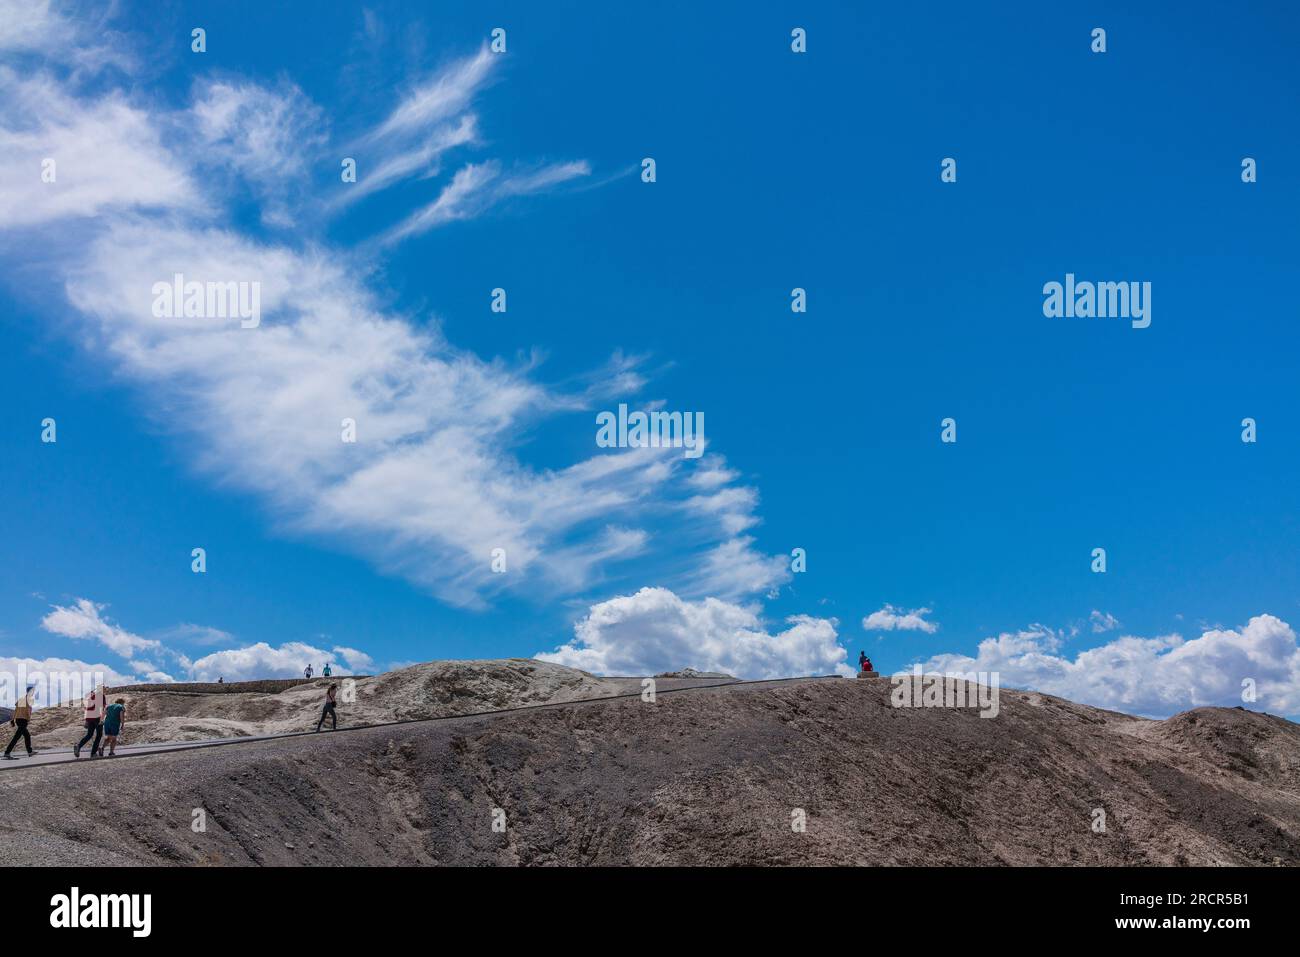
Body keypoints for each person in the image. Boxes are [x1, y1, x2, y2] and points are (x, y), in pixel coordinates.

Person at [3, 685, 39, 760]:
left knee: (27, 736)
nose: (33, 693)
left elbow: (16, 710)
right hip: (23, 720)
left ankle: (29, 752)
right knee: (16, 737)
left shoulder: (21, 699)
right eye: (32, 691)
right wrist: (28, 720)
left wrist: (12, 720)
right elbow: (28, 711)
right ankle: (7, 753)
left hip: (19, 720)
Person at [74, 684, 107, 758]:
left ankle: (78, 746)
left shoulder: (91, 697)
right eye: (104, 688)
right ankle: (93, 753)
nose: (106, 689)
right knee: (99, 735)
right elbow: (102, 708)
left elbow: (87, 708)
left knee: (89, 734)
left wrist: (86, 721)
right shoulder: (102, 696)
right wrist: (101, 719)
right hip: (97, 717)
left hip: (90, 718)